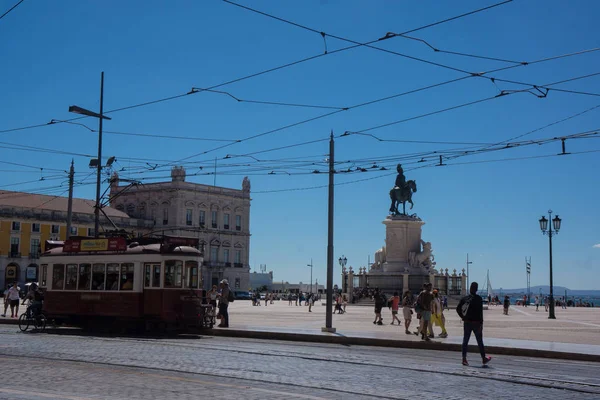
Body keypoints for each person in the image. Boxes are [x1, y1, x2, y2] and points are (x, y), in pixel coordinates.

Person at [457, 282, 491, 366]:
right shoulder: (479, 299)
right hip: (476, 323)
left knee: (465, 341)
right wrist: (481, 323)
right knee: (480, 341)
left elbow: (458, 309)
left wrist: (462, 317)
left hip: (467, 322)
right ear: (476, 289)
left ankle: (464, 359)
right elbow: (480, 313)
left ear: (470, 288)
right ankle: (483, 358)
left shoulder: (465, 298)